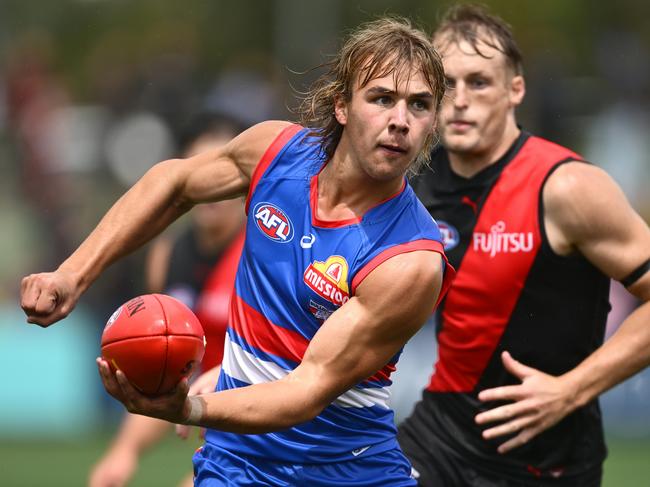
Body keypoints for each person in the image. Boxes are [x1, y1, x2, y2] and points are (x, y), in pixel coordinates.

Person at [21, 18, 455, 486]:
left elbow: (306, 390)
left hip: (347, 471)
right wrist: (72, 275)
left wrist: (190, 408)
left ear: (432, 124)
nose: (400, 120)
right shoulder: (277, 153)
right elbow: (173, 184)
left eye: (419, 105)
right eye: (382, 98)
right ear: (342, 105)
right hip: (237, 463)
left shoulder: (411, 259)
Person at [398, 5, 650, 487]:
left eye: (480, 82)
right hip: (436, 439)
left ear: (515, 90)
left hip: (546, 459)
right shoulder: (413, 183)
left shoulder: (566, 188)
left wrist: (571, 390)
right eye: (447, 84)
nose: (461, 101)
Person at [88, 112, 246, 487]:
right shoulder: (167, 256)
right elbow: (167, 372)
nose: (213, 188)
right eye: (201, 173)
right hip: (216, 431)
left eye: (222, 174)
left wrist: (226, 381)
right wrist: (123, 453)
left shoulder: (267, 255)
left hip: (272, 428)